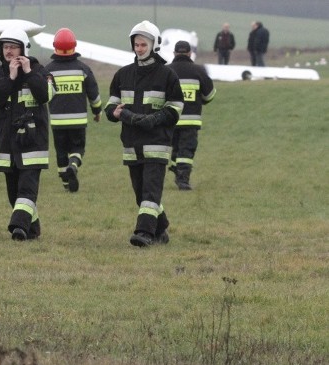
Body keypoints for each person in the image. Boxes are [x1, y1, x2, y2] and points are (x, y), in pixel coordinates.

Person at [104, 20, 184, 247]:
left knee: (150, 191)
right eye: (136, 44)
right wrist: (114, 113)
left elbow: (176, 108)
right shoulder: (123, 75)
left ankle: (144, 233)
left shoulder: (167, 75)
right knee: (141, 194)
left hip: (157, 143)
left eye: (143, 44)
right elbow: (111, 107)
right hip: (131, 144)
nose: (139, 48)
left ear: (154, 44)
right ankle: (161, 228)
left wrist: (154, 120)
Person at [0, 27, 54, 241]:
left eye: (13, 47)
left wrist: (29, 74)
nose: (9, 51)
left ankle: (19, 229)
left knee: (27, 190)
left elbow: (46, 95)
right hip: (7, 144)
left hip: (33, 144)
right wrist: (10, 78)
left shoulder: (40, 70)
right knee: (13, 194)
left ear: (23, 49)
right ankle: (32, 228)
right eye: (5, 47)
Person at [43, 28, 102, 193]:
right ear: (74, 46)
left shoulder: (48, 71)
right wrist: (97, 111)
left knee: (61, 152)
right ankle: (73, 166)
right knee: (77, 148)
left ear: (55, 47)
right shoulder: (83, 69)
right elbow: (93, 93)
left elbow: (42, 94)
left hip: (57, 121)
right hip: (78, 120)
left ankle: (66, 184)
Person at [168, 40, 216, 190]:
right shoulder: (198, 71)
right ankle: (183, 179)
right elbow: (209, 95)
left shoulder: (166, 71)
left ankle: (177, 170)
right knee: (186, 150)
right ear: (189, 53)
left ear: (174, 53)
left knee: (176, 148)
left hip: (171, 120)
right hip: (191, 121)